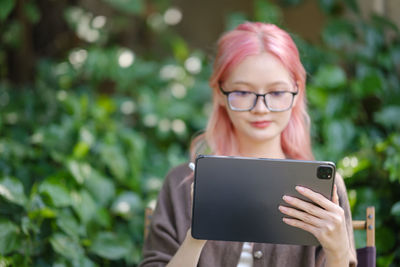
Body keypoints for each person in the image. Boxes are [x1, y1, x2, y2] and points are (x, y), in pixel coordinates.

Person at [139, 22, 357, 267]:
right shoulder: (181, 185)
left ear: (297, 92)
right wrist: (197, 235)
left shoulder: (323, 189)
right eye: (242, 93)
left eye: (276, 93)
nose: (260, 109)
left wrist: (338, 253)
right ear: (220, 94)